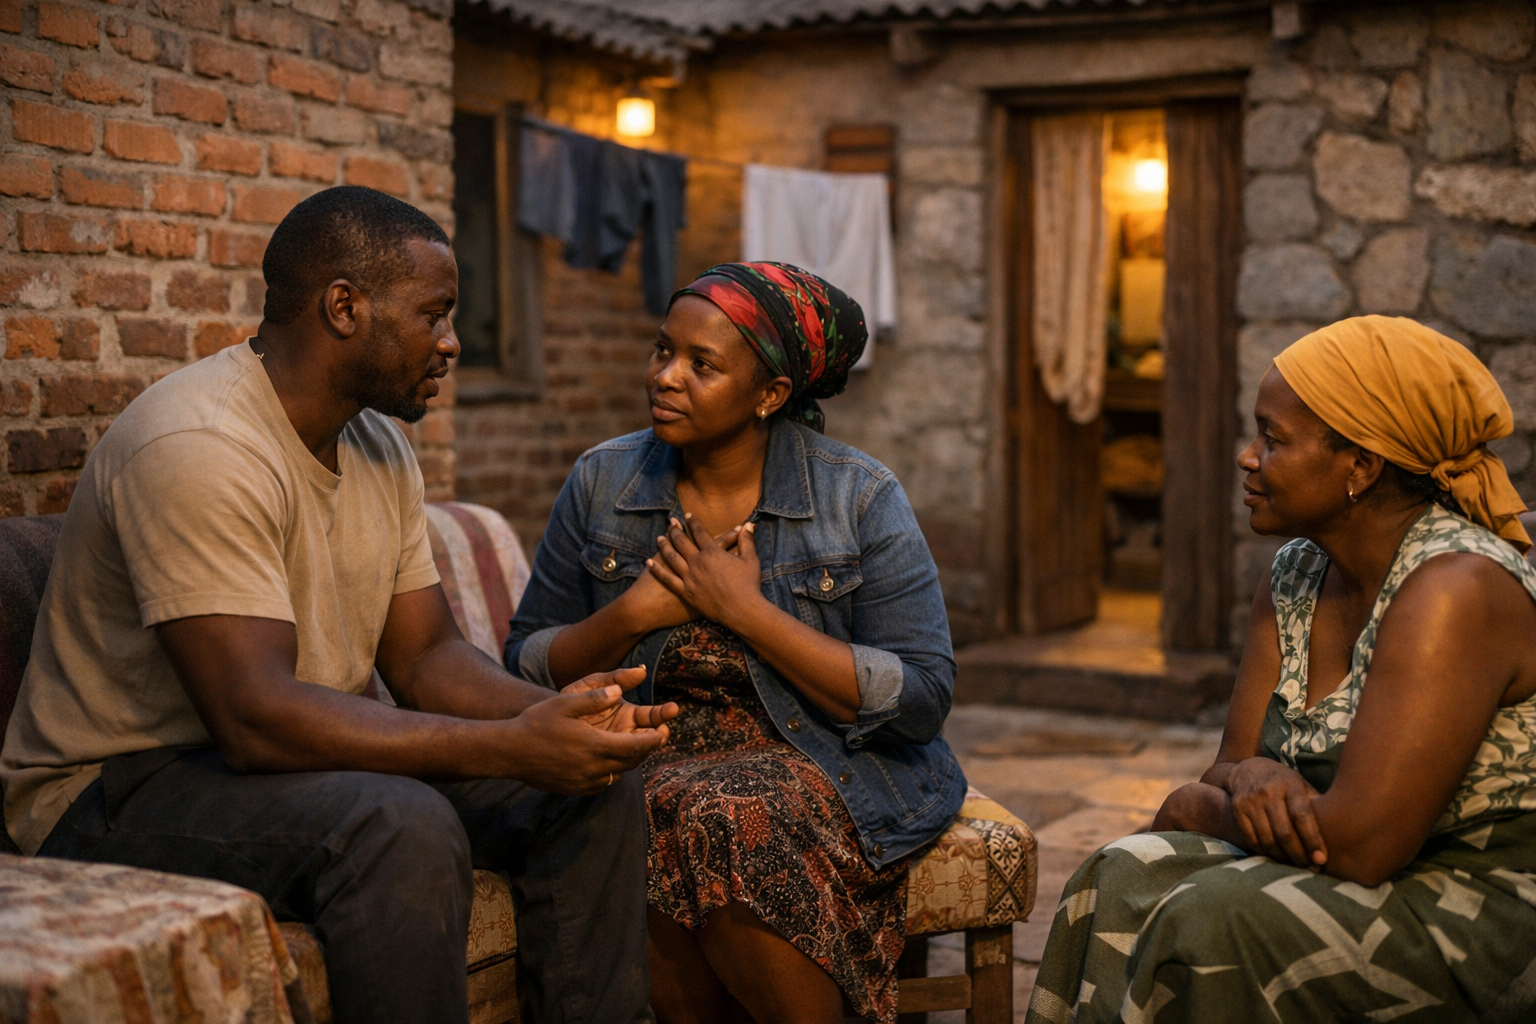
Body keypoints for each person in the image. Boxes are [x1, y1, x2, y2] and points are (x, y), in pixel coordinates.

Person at [0, 186, 678, 1024]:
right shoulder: (200, 445)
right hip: (116, 786)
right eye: (434, 315)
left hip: (284, 759)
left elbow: (425, 657)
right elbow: (254, 719)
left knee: (592, 787)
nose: (453, 343)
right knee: (399, 824)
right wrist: (510, 745)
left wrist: (563, 720)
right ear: (345, 307)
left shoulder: (378, 442)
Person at [1026, 316, 1536, 1024]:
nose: (1247, 457)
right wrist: (1245, 779)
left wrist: (1202, 806)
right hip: (1344, 863)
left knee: (1212, 920)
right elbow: (1229, 768)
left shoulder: (1455, 590)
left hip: (1474, 904)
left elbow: (1360, 845)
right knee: (1113, 877)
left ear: (1360, 466)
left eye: (1273, 438)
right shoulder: (1297, 572)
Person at [505, 262, 964, 1024]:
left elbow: (922, 697)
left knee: (722, 812)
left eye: (701, 364)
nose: (665, 377)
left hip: (823, 762)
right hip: (654, 757)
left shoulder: (859, 496)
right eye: (662, 351)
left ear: (770, 396)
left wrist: (743, 611)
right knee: (635, 808)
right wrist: (631, 615)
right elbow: (523, 662)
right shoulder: (601, 481)